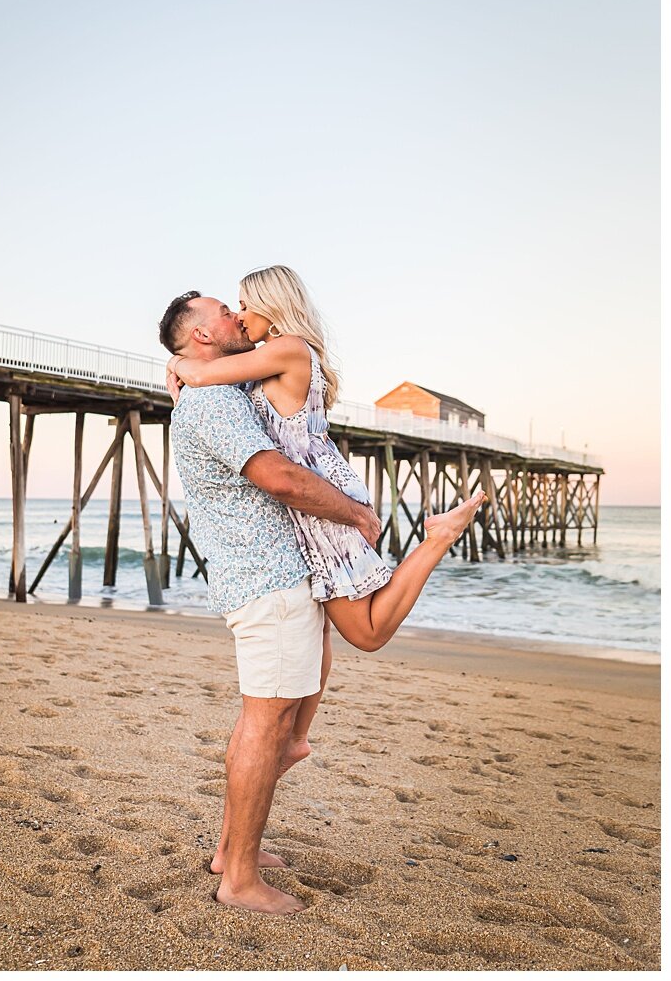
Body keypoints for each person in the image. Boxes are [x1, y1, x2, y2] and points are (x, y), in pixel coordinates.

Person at [166, 267, 485, 765]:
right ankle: (297, 737)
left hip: (319, 496)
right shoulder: (265, 359)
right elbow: (218, 378)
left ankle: (439, 537)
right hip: (310, 500)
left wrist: (180, 364)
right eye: (232, 310)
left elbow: (204, 372)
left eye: (244, 305)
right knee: (325, 622)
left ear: (273, 305)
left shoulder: (290, 347)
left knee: (368, 632)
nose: (241, 316)